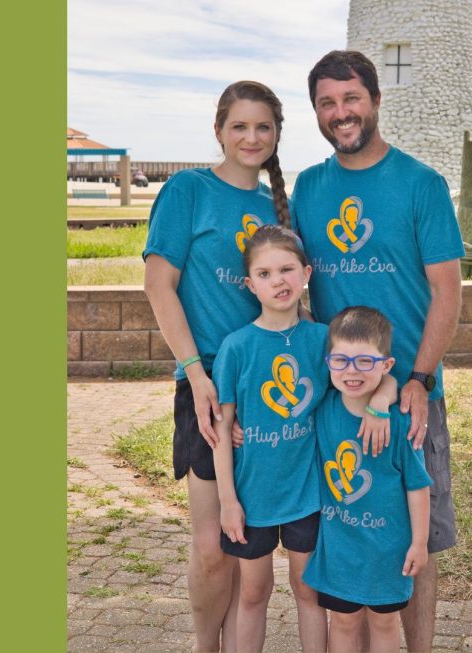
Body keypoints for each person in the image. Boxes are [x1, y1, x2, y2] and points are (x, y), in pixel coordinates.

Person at [290, 50, 464, 652]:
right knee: (345, 529)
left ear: (376, 99)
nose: (341, 113)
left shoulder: (421, 184)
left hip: (410, 397)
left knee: (418, 536)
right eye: (327, 103)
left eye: (351, 98)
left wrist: (417, 377)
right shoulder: (308, 188)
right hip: (335, 399)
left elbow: (447, 289)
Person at [141, 80, 292, 653]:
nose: (251, 137)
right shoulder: (188, 191)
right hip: (205, 388)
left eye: (263, 127)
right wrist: (196, 373)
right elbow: (160, 286)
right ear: (218, 131)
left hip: (270, 392)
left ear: (276, 135)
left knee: (248, 546)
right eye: (240, 126)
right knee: (211, 546)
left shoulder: (279, 207)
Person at [213, 226, 398, 653]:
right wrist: (227, 500)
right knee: (254, 592)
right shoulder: (236, 348)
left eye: (286, 269)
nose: (277, 281)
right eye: (264, 273)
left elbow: (378, 377)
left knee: (307, 591)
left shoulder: (321, 341)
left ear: (307, 273)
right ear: (249, 284)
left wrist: (380, 404)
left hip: (310, 494)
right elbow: (223, 429)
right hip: (252, 496)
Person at [303, 306, 432, 653]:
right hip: (339, 547)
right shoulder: (322, 409)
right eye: (341, 361)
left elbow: (417, 487)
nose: (352, 371)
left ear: (387, 366)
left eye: (364, 362)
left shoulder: (402, 424)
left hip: (388, 550)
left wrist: (419, 542)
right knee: (342, 623)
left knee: (384, 623)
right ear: (327, 362)